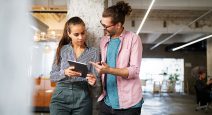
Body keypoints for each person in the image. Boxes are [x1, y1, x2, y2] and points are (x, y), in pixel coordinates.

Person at [90, 1, 143, 115]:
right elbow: (106, 65)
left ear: (118, 25)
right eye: (102, 23)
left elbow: (134, 71)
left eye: (106, 26)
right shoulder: (104, 40)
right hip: (107, 102)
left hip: (130, 103)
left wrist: (109, 70)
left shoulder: (134, 39)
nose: (103, 28)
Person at [49, 16, 99, 115]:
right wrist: (64, 72)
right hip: (61, 96)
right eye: (76, 34)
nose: (81, 37)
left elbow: (96, 79)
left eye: (83, 33)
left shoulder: (94, 52)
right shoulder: (62, 49)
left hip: (82, 97)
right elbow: (52, 76)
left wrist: (93, 82)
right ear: (69, 34)